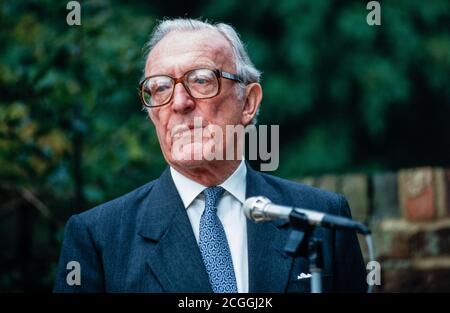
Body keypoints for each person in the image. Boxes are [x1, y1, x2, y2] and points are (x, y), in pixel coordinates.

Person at [53, 18, 367, 293]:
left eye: (201, 80)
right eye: (160, 87)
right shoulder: (99, 238)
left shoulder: (321, 216)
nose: (179, 102)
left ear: (248, 103)